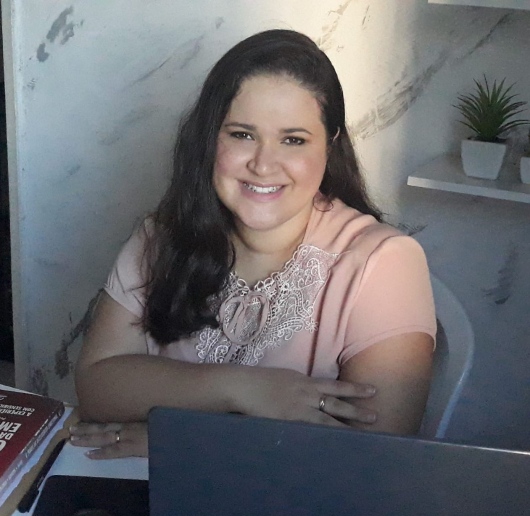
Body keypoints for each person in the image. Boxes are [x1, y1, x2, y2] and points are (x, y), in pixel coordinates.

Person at [71, 29, 436, 459]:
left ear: (330, 145)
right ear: (210, 138)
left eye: (293, 140)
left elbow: (374, 460)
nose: (263, 165)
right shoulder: (160, 235)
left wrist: (183, 441)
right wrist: (242, 388)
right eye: (242, 134)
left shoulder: (385, 263)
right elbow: (96, 387)